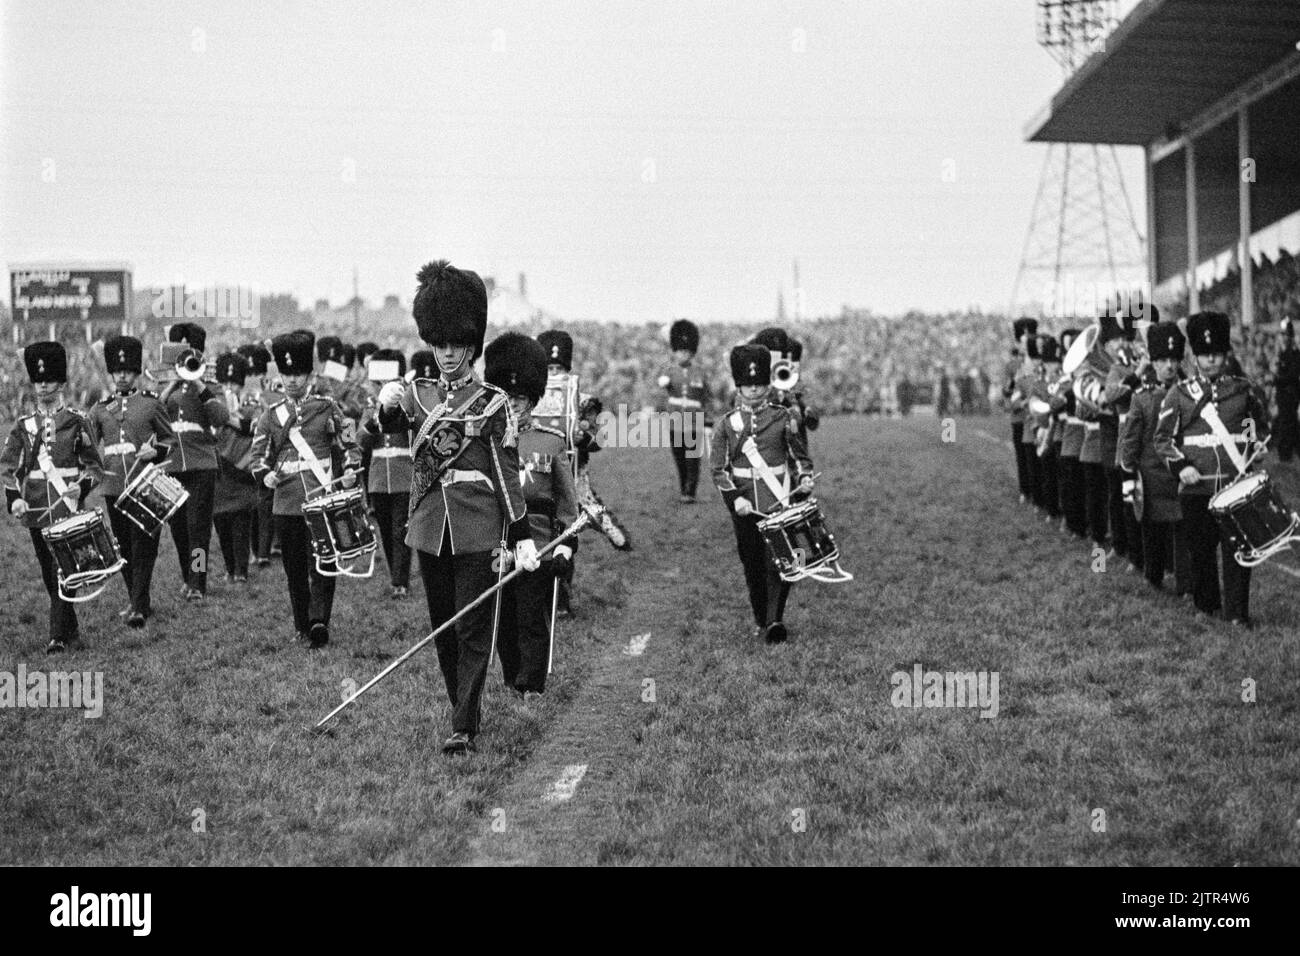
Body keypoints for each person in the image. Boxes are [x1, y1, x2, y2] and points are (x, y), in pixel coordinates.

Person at [376, 260, 538, 756]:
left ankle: (464, 723)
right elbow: (384, 431)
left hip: (479, 526)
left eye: (457, 344)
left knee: (473, 624)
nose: (447, 353)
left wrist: (524, 533)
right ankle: (459, 708)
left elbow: (506, 474)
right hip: (429, 525)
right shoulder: (419, 397)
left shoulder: (491, 404)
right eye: (439, 342)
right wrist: (385, 403)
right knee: (444, 625)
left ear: (472, 344)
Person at [1154, 311, 1270, 625]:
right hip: (1197, 488)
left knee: (1239, 552)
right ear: (1193, 356)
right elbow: (1162, 439)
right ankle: (1208, 608)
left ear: (1225, 354)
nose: (1211, 361)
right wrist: (1180, 468)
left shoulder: (1242, 390)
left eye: (1217, 354)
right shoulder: (1178, 395)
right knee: (1201, 552)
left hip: (1235, 487)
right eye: (1205, 355)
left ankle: (1237, 613)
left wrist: (1254, 446)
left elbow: (1253, 425)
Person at [250, 329, 362, 648]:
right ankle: (301, 625)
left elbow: (349, 440)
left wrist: (352, 465)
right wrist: (265, 475)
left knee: (325, 562)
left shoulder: (326, 407)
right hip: (285, 503)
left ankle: (318, 622)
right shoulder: (270, 416)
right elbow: (257, 456)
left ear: (309, 374)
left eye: (298, 373)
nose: (293, 381)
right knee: (295, 569)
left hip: (321, 499)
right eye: (287, 374)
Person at [487, 332, 576, 699]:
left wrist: (566, 544)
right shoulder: (487, 442)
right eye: (507, 398)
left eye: (520, 398)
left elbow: (567, 501)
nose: (513, 406)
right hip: (496, 540)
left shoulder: (550, 441)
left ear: (532, 399)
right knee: (502, 617)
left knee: (530, 616)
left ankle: (532, 683)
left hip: (538, 541)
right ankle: (512, 677)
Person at [1, 342, 104, 653]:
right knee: (50, 573)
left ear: (61, 383)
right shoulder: (22, 426)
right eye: (38, 380)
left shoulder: (76, 421)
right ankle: (69, 627)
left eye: (49, 379)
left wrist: (81, 488)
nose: (43, 384)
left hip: (67, 507)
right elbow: (7, 467)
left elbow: (95, 466)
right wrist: (14, 499)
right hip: (35, 509)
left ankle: (57, 636)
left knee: (62, 568)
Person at [710, 343, 814, 645]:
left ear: (767, 384)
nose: (754, 390)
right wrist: (735, 500)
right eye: (748, 385)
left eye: (759, 385)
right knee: (753, 563)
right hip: (746, 506)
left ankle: (775, 620)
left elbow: (798, 458)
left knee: (782, 561)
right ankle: (761, 618)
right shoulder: (727, 425)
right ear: (738, 386)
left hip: (779, 500)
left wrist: (804, 479)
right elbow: (719, 470)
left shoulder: (783, 417)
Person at [86, 335, 176, 627]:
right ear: (111, 373)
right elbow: (89, 446)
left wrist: (156, 450)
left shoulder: (150, 404)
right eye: (117, 371)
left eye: (127, 371)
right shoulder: (100, 409)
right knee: (124, 547)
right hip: (113, 485)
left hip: (145, 484)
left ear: (136, 372)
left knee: (144, 546)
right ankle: (140, 601)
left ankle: (137, 606)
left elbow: (169, 439)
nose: (122, 375)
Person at [1119, 322, 1191, 594]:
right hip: (1151, 477)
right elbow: (1131, 440)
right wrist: (1129, 475)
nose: (1170, 366)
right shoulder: (1143, 397)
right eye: (1162, 360)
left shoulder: (1192, 394)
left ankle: (1185, 584)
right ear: (1153, 362)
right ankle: (1154, 577)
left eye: (1174, 360)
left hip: (1182, 473)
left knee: (1183, 534)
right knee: (1153, 533)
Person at [160, 322, 229, 601]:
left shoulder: (210, 386)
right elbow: (157, 413)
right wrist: (174, 382)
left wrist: (198, 383)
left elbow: (221, 418)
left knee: (198, 528)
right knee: (178, 529)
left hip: (202, 464)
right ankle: (187, 577)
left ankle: (198, 581)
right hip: (173, 464)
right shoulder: (168, 388)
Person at [358, 348, 413, 598]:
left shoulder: (408, 400)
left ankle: (400, 582)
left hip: (404, 475)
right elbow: (358, 440)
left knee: (401, 529)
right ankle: (395, 575)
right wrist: (375, 419)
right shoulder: (369, 405)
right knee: (387, 531)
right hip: (379, 478)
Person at [212, 352, 260, 584]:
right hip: (218, 471)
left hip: (242, 470)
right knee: (219, 526)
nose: (230, 388)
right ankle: (213, 570)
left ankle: (241, 571)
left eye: (235, 383)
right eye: (226, 383)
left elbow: (257, 426)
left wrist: (229, 417)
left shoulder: (252, 402)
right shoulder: (212, 401)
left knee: (241, 524)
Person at [658, 319, 711, 503]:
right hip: (675, 420)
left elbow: (706, 397)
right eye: (680, 351)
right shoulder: (669, 370)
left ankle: (690, 491)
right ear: (675, 351)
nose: (683, 355)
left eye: (687, 351)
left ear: (692, 353)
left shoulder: (700, 372)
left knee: (692, 457)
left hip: (694, 420)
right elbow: (663, 384)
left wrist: (708, 420)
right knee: (680, 456)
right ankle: (684, 487)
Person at [237, 342, 276, 567]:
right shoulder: (237, 391)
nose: (253, 375)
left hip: (264, 450)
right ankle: (255, 550)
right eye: (249, 372)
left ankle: (263, 551)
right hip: (241, 453)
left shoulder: (271, 388)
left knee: (264, 502)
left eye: (257, 371)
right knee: (250, 506)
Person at [1004, 318, 1037, 503]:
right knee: (1023, 456)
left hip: (1037, 415)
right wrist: (1013, 384)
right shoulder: (1013, 365)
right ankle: (1026, 490)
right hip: (1020, 416)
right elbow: (1007, 391)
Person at [1273, 318, 1300, 462]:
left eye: (1285, 335)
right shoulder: (1283, 353)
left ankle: (1286, 452)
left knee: (1288, 423)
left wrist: (1277, 377)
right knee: (1288, 424)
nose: (1283, 338)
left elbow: (1292, 375)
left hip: (1290, 394)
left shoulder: (1295, 354)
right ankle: (1287, 452)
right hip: (1283, 395)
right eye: (1281, 335)